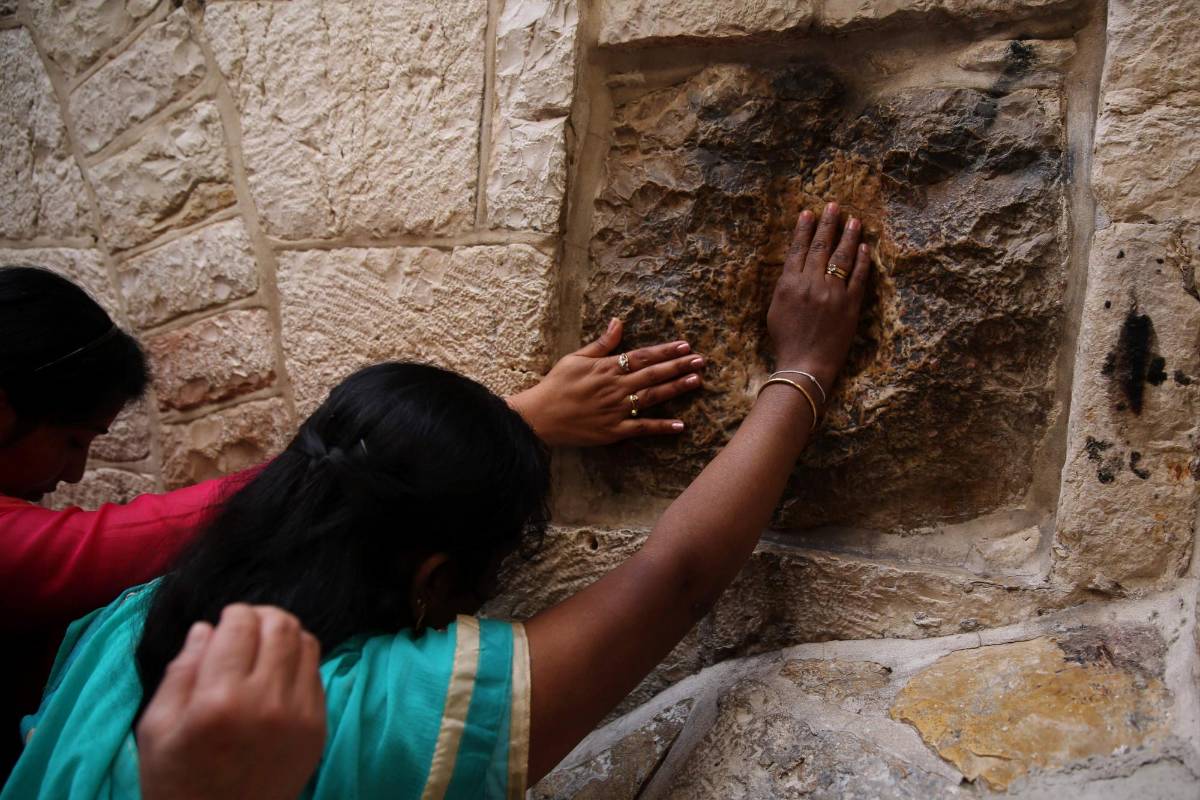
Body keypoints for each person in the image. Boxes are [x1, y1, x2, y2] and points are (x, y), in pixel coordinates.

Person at [3, 201, 870, 798]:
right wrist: (806, 368)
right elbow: (674, 576)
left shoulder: (128, 620)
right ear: (434, 577)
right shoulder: (393, 707)